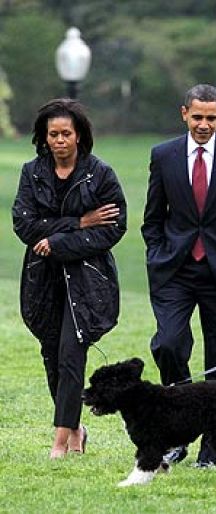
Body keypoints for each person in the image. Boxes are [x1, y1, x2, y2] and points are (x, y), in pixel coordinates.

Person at [141, 84, 216, 467]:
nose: (204, 124)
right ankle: (176, 431)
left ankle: (212, 449)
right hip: (175, 270)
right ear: (184, 114)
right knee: (168, 344)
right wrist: (158, 257)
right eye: (197, 117)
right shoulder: (163, 155)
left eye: (211, 118)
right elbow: (152, 218)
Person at [12, 98, 126, 459]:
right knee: (51, 354)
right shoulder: (32, 173)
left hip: (87, 282)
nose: (59, 140)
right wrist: (79, 222)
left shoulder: (101, 174)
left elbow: (113, 227)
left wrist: (58, 241)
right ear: (44, 138)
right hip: (41, 281)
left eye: (66, 134)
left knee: (70, 354)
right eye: (52, 134)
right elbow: (25, 224)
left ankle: (60, 443)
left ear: (79, 136)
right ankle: (76, 428)